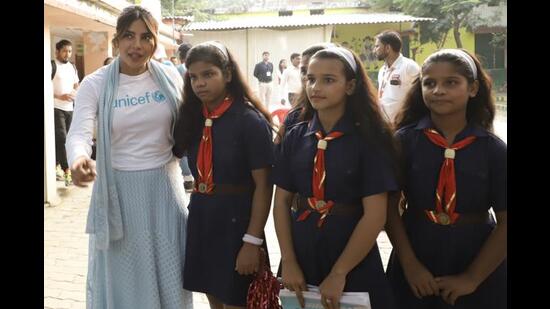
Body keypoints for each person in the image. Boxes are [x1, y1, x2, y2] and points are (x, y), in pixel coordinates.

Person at [65, 6, 193, 308]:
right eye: (128, 36)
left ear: (155, 41)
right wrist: (78, 159)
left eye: (145, 37)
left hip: (165, 188)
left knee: (170, 275)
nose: (137, 45)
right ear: (116, 42)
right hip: (119, 193)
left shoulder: (170, 78)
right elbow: (79, 132)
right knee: (125, 279)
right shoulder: (95, 84)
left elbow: (190, 124)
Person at [272, 46, 398, 309]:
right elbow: (281, 201)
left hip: (351, 250)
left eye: (328, 80)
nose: (316, 87)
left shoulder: (370, 141)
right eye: (311, 79)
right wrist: (289, 261)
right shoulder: (296, 136)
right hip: (303, 247)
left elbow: (375, 214)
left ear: (350, 86)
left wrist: (339, 273)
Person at [385, 49, 507, 309]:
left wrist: (472, 278)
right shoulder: (403, 142)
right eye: (429, 83)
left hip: (476, 256)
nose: (438, 90)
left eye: (451, 82)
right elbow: (388, 207)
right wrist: (410, 265)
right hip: (416, 248)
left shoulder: (494, 150)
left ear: (472, 88)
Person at [173, 41, 274, 309]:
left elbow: (264, 186)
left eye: (208, 74)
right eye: (193, 76)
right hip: (202, 217)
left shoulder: (249, 121)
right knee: (214, 298)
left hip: (237, 223)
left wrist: (251, 241)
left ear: (227, 74)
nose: (200, 83)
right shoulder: (192, 117)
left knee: (237, 301)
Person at [374, 30, 420, 124]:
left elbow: (419, 96)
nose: (375, 50)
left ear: (387, 48)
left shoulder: (409, 67)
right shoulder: (382, 70)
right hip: (385, 126)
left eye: (377, 46)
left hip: (405, 125)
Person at [52, 39, 80, 186]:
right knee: (62, 138)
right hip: (56, 108)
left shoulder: (72, 67)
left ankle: (58, 165)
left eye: (69, 51)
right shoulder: (51, 65)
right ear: (57, 51)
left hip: (70, 108)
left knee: (69, 140)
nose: (67, 54)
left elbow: (76, 84)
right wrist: (59, 96)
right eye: (64, 51)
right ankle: (67, 170)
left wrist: (75, 93)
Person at [176, 42, 195, 191]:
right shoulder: (195, 69)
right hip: (195, 111)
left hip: (182, 112)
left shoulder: (176, 70)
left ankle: (188, 178)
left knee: (183, 147)